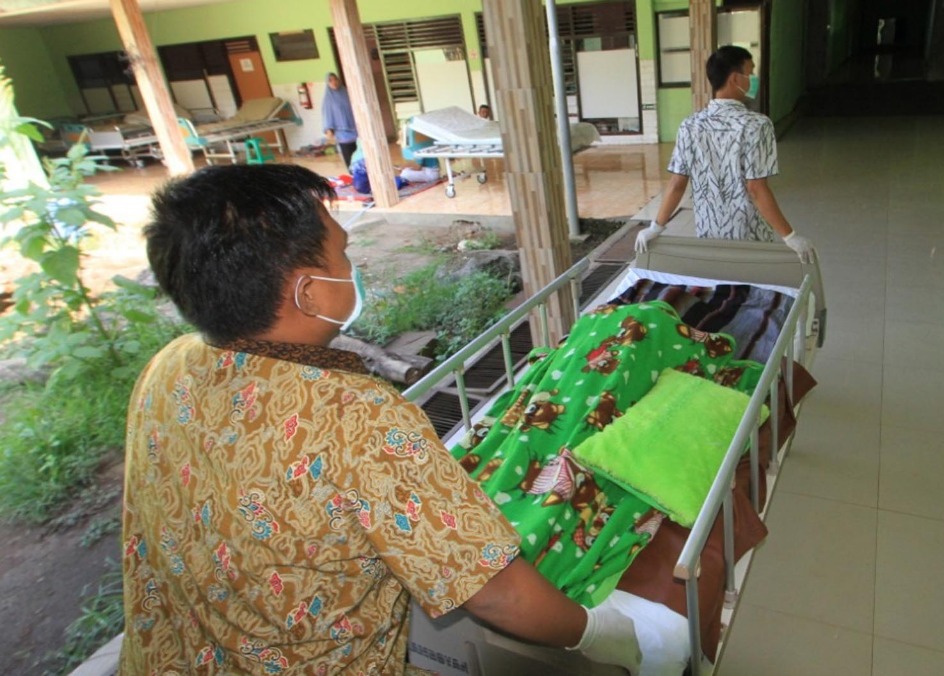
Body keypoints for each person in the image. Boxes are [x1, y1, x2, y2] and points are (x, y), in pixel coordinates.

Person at [121, 164, 641, 673]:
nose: (353, 266)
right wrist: (603, 635)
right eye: (344, 254)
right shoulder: (357, 417)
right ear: (308, 292)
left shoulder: (167, 368)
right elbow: (499, 596)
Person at [635, 45, 815, 263]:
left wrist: (655, 228)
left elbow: (677, 184)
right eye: (750, 72)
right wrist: (790, 236)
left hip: (708, 233)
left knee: (721, 289)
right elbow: (756, 188)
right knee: (751, 290)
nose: (753, 79)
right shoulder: (757, 125)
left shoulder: (690, 125)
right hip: (750, 235)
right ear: (735, 79)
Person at [322, 72, 358, 170]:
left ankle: (363, 174)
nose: (334, 82)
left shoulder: (346, 93)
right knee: (349, 157)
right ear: (327, 83)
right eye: (330, 80)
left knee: (359, 155)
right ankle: (353, 175)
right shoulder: (328, 99)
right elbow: (327, 114)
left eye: (335, 79)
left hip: (355, 130)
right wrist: (329, 129)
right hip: (342, 133)